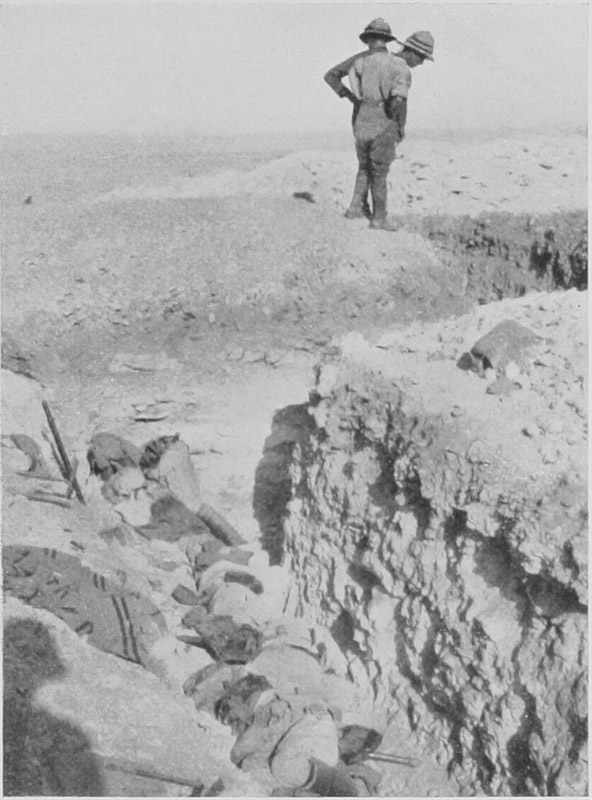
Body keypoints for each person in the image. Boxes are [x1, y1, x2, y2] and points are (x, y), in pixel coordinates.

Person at [325, 20, 434, 230]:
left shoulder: (364, 59)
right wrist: (399, 127)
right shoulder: (399, 67)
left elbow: (332, 76)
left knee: (364, 166)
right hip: (383, 124)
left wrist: (354, 99)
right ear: (410, 51)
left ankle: (355, 208)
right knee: (379, 171)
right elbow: (397, 103)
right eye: (421, 57)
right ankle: (379, 218)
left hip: (360, 122)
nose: (420, 63)